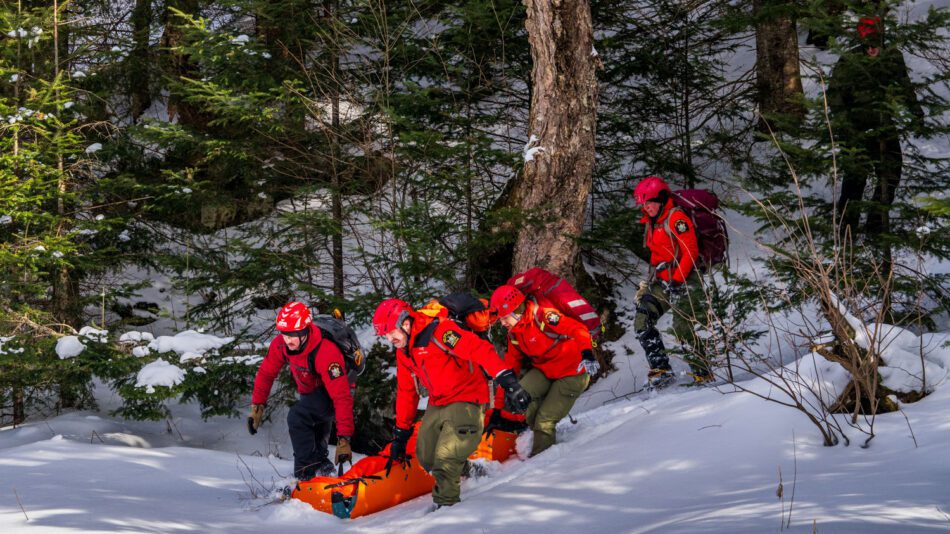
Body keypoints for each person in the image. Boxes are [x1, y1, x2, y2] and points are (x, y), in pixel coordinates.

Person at [372, 298, 530, 510]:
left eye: (391, 332)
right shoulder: (404, 352)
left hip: (467, 398)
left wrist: (508, 381)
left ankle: (447, 510)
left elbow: (479, 350)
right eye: (385, 335)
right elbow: (407, 392)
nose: (389, 338)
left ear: (406, 323)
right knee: (427, 457)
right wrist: (401, 432)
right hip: (439, 402)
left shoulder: (441, 332)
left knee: (445, 458)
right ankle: (469, 470)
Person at [827, 15, 924, 240]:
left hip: (884, 125)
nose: (871, 49)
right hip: (855, 129)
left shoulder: (893, 57)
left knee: (891, 172)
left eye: (875, 44)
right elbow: (835, 95)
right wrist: (847, 125)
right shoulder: (849, 60)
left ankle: (875, 225)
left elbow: (904, 86)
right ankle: (846, 232)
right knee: (855, 180)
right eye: (867, 45)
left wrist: (916, 112)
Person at [247, 302, 355, 481]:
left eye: (293, 335)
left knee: (298, 416)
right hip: (310, 391)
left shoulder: (326, 352)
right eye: (284, 334)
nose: (288, 339)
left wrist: (344, 439)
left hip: (337, 392)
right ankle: (321, 466)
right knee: (313, 418)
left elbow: (341, 396)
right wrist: (257, 406)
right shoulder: (282, 345)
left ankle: (305, 475)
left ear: (305, 331)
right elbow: (266, 373)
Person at [490, 284, 599, 457]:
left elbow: (578, 329)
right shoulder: (514, 332)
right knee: (518, 396)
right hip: (545, 370)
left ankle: (539, 463)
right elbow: (509, 370)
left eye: (504, 318)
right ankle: (525, 443)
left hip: (573, 372)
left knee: (544, 420)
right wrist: (497, 409)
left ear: (517, 310)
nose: (502, 323)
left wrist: (587, 352)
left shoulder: (544, 315)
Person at [632, 175, 711, 387]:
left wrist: (677, 280)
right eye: (644, 203)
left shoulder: (676, 218)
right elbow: (657, 256)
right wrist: (648, 286)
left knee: (682, 327)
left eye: (649, 202)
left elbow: (690, 250)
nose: (646, 207)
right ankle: (661, 370)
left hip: (686, 279)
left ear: (661, 198)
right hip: (663, 281)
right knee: (642, 321)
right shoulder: (653, 221)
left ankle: (703, 374)